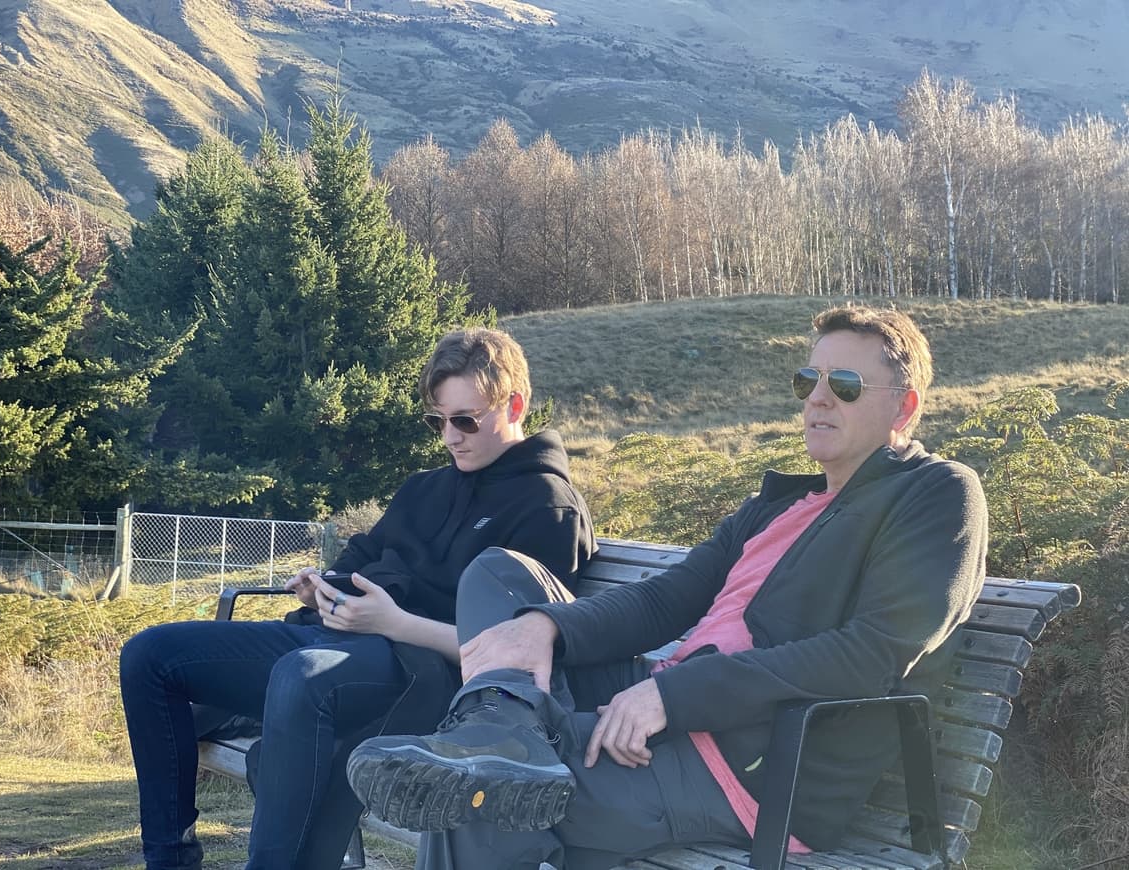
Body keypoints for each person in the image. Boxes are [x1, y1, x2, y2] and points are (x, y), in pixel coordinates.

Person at [347, 305, 989, 870]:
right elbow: (665, 600)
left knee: (477, 798)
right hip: (670, 710)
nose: (817, 399)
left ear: (904, 405)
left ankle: (499, 741)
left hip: (754, 763)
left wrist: (671, 697)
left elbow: (870, 656)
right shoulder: (775, 510)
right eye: (808, 380)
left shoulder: (937, 494)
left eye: (844, 384)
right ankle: (501, 731)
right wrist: (549, 626)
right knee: (498, 574)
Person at [119, 326, 597, 870]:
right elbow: (361, 558)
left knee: (302, 677)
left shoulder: (547, 505)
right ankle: (169, 858)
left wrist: (394, 623)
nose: (450, 437)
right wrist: (325, 586)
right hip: (339, 641)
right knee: (149, 656)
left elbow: (523, 653)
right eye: (437, 421)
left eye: (465, 420)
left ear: (515, 404)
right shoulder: (425, 488)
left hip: (426, 675)